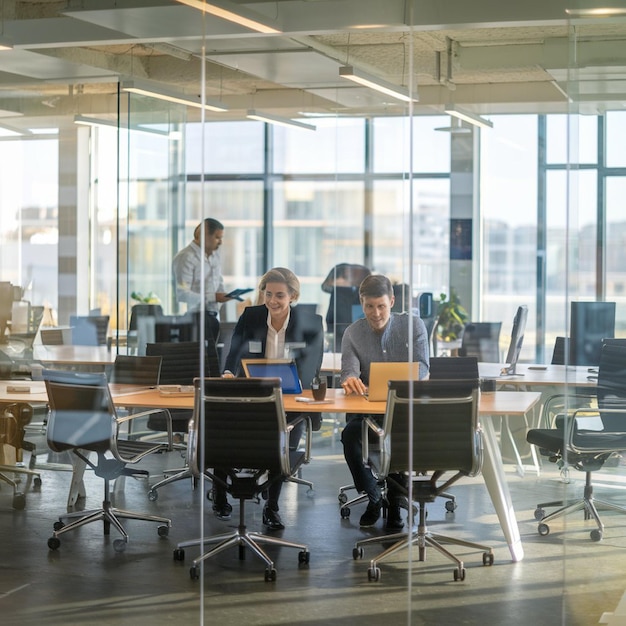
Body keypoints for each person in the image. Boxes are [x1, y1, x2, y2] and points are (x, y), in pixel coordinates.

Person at [214, 267, 324, 530]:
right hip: (252, 393)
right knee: (222, 428)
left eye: (280, 295)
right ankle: (219, 494)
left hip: (291, 398)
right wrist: (229, 372)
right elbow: (235, 351)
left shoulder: (311, 322)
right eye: (268, 293)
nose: (272, 300)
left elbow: (311, 368)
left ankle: (272, 507)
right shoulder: (251, 316)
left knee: (284, 445)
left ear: (292, 296)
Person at [340, 274, 429, 530]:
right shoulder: (353, 333)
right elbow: (349, 370)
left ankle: (395, 500)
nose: (376, 313)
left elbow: (422, 368)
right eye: (369, 306)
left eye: (381, 306)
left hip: (405, 410)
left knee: (396, 436)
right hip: (369, 413)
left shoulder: (413, 326)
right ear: (362, 302)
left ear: (392, 301)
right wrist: (350, 380)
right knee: (349, 437)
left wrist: (400, 382)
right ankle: (373, 496)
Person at [172, 218, 232, 321]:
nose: (221, 242)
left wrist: (227, 296)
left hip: (214, 316)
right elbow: (182, 294)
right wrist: (214, 297)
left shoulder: (215, 256)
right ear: (203, 236)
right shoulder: (186, 257)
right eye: (217, 238)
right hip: (195, 318)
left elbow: (219, 284)